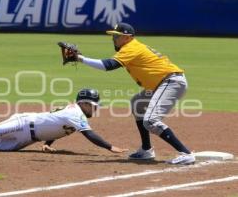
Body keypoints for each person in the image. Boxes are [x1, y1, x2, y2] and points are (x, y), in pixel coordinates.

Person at [75, 23, 195, 165]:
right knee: (138, 104)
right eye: (113, 35)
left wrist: (80, 58)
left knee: (150, 120)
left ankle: (185, 153)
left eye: (117, 36)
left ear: (127, 37)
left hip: (170, 82)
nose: (114, 38)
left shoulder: (131, 47)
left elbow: (108, 65)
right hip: (161, 84)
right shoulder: (131, 46)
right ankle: (146, 150)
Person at [0, 88, 128, 154]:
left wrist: (47, 143)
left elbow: (57, 126)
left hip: (29, 138)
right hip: (24, 122)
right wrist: (110, 147)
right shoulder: (76, 113)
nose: (95, 108)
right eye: (94, 105)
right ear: (84, 103)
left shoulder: (75, 114)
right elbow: (90, 135)